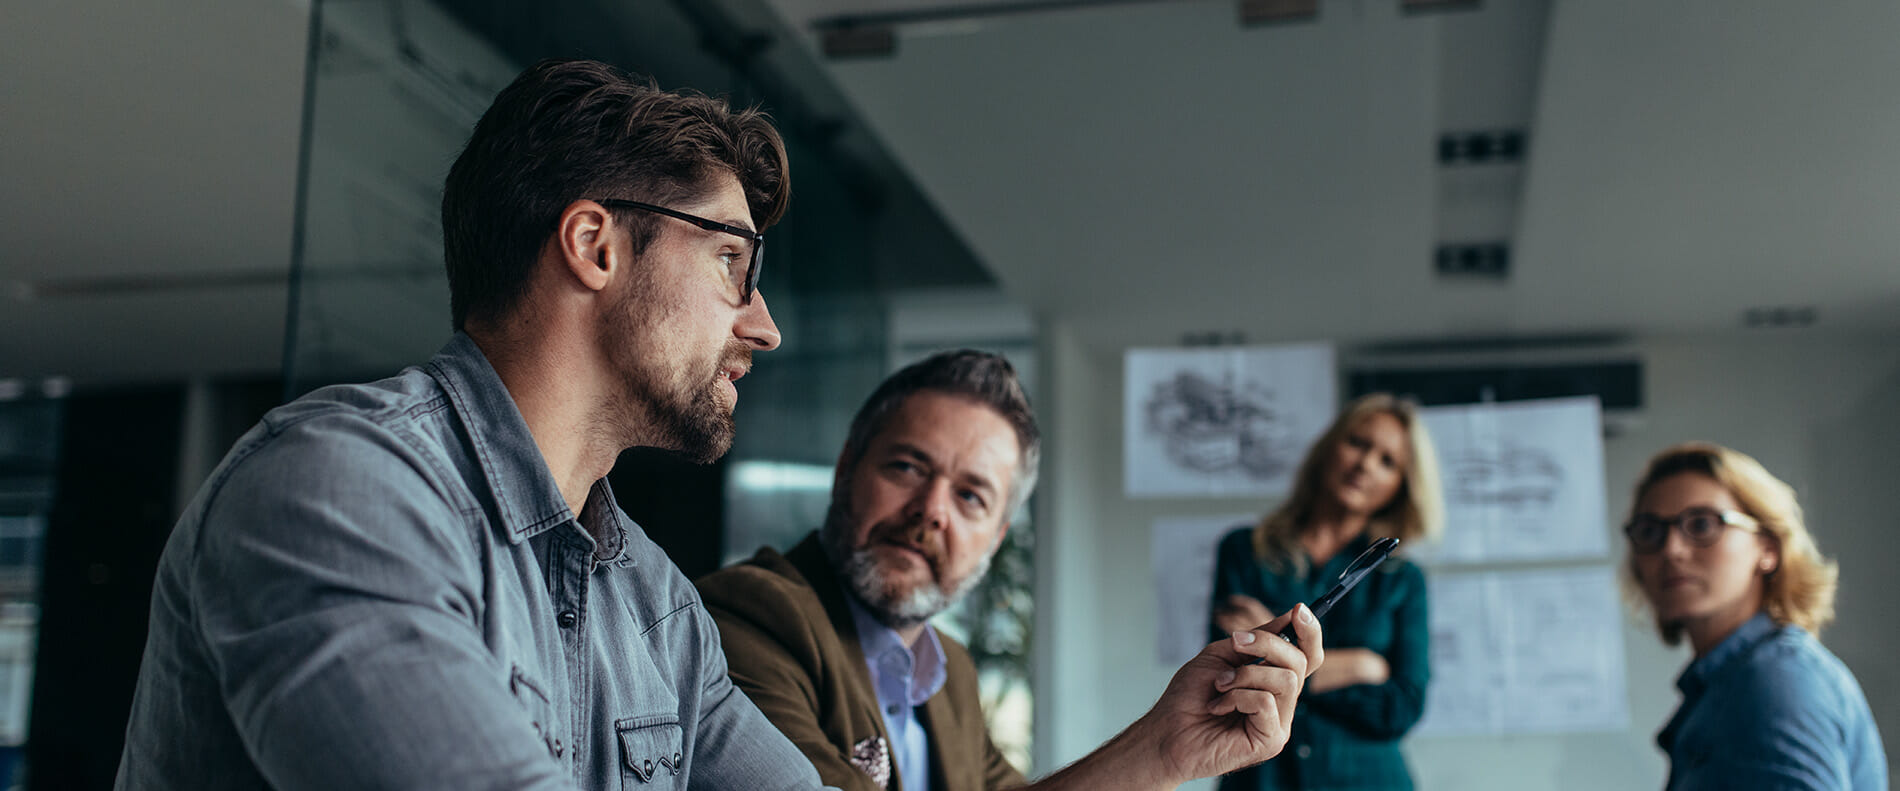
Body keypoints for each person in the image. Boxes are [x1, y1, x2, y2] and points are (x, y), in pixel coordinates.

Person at [116, 58, 820, 790]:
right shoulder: (339, 490)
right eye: (730, 259)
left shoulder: (655, 609)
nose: (763, 326)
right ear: (595, 246)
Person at [697, 350, 1326, 791]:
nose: (931, 511)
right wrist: (1156, 750)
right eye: (907, 468)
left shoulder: (949, 673)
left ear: (995, 538)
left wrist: (1170, 749)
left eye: (970, 497)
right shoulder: (749, 618)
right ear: (845, 470)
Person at [1208, 393, 1443, 791]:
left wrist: (1281, 663)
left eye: (1387, 461)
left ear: (1401, 487)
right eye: (1358, 443)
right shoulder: (1243, 551)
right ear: (1329, 447)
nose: (1365, 464)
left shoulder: (1404, 580)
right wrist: (1362, 666)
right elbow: (1228, 679)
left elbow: (1401, 707)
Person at [1623, 442, 1885, 790]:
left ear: (1768, 548)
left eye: (1702, 525)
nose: (1671, 549)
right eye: (1650, 531)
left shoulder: (1775, 681)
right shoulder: (1728, 683)